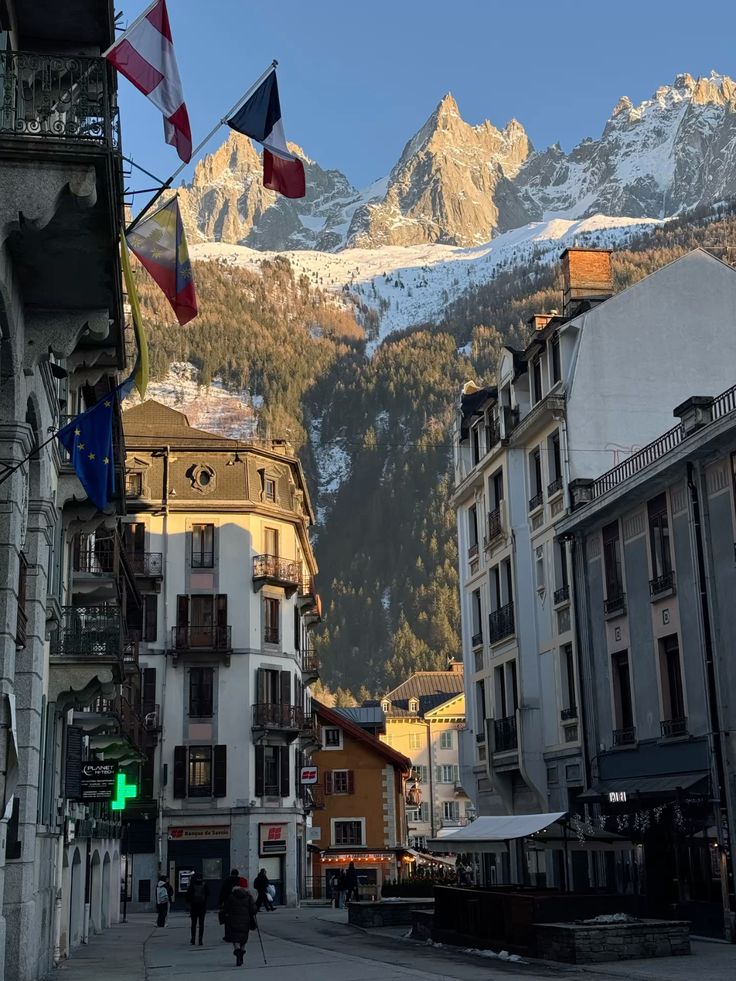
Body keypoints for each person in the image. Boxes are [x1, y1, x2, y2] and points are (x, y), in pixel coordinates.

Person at [224, 879, 257, 966]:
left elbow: (226, 908)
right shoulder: (248, 897)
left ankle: (237, 952)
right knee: (243, 938)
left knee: (235, 938)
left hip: (233, 920)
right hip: (245, 921)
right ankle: (241, 952)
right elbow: (253, 910)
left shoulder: (231, 896)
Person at [185, 871, 210, 946]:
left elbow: (188, 896)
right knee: (201, 924)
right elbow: (209, 893)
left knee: (194, 923)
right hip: (202, 906)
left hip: (194, 906)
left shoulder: (192, 885)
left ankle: (193, 939)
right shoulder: (204, 885)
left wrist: (189, 903)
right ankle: (200, 940)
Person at [219, 867, 242, 939]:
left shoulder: (227, 880)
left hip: (228, 902)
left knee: (228, 919)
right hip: (238, 902)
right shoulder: (240, 880)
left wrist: (220, 902)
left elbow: (223, 892)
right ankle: (237, 934)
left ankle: (228, 935)